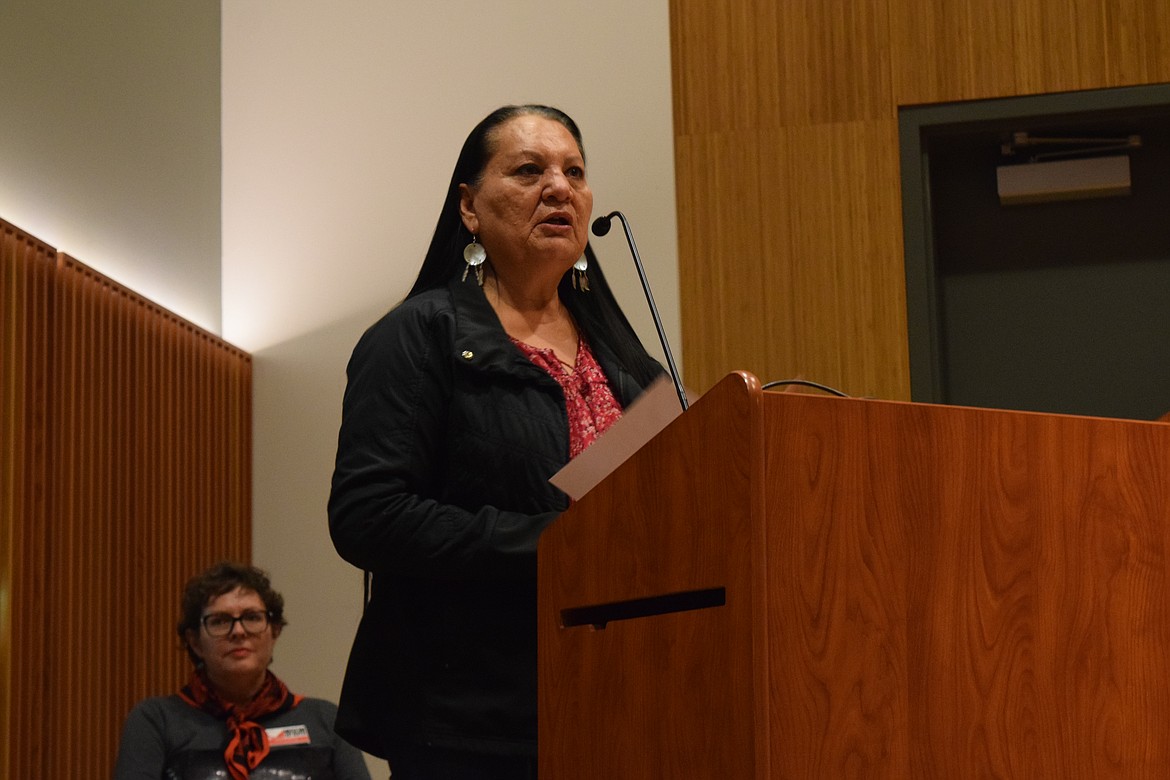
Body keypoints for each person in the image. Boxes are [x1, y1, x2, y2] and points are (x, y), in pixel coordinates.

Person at [328, 104, 665, 778]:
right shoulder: (417, 337)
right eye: (528, 170)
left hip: (625, 701)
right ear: (470, 208)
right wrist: (556, 545)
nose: (560, 188)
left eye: (575, 172)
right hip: (470, 718)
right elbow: (368, 517)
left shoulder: (627, 361)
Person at [113, 562, 371, 780]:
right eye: (220, 621)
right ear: (194, 641)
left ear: (275, 630)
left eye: (252, 617)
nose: (238, 631)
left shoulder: (325, 721)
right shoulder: (156, 721)